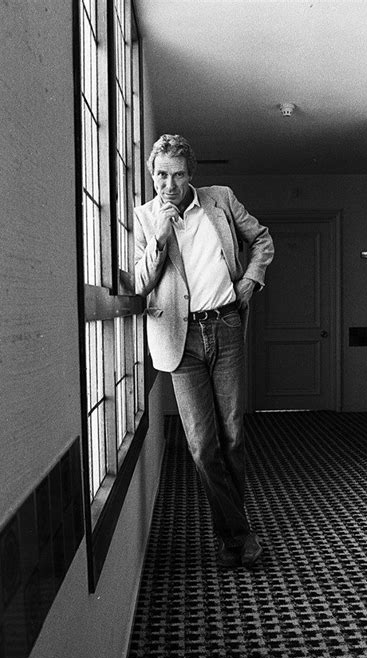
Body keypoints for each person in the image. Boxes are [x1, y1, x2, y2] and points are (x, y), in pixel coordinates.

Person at [134, 134, 274, 567]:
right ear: (151, 174)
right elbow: (140, 284)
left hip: (227, 325)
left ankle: (232, 538)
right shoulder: (144, 217)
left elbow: (263, 239)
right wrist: (158, 239)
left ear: (190, 174)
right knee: (201, 444)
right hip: (181, 340)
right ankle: (240, 533)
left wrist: (250, 280)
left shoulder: (220, 200)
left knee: (232, 436)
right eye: (160, 175)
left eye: (177, 175)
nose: (168, 184)